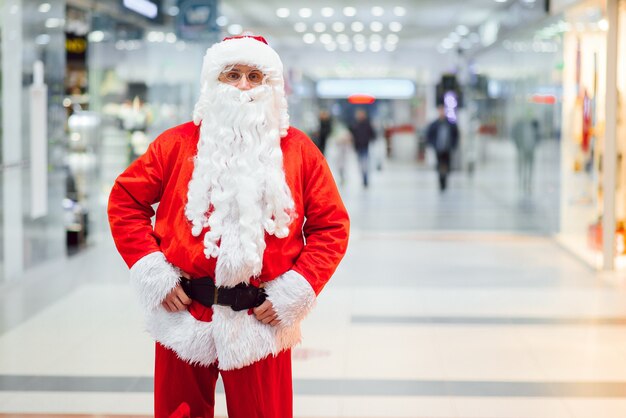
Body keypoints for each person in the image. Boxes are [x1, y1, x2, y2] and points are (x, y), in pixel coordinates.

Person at [107, 35, 350, 418]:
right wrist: (154, 273)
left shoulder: (299, 150)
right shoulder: (175, 144)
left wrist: (297, 289)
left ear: (271, 86)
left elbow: (331, 226)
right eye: (232, 74)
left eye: (255, 76)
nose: (243, 86)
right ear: (213, 82)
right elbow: (125, 200)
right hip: (184, 316)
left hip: (261, 321)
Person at [426, 105, 459, 191]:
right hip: (438, 148)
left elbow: (456, 135)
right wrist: (433, 144)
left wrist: (454, 145)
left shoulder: (451, 124)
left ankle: (445, 178)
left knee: (447, 165)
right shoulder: (434, 124)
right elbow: (429, 136)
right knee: (440, 165)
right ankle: (441, 181)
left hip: (447, 149)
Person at [511, 116, 540, 196]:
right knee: (523, 166)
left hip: (531, 150)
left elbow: (538, 138)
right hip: (523, 150)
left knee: (530, 167)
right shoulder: (521, 129)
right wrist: (518, 146)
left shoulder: (533, 129)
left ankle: (528, 181)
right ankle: (522, 181)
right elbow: (515, 137)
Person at [349, 109, 376, 188]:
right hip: (358, 147)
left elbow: (372, 134)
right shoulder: (355, 124)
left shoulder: (367, 124)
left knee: (365, 163)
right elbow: (352, 134)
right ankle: (363, 177)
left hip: (365, 147)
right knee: (360, 164)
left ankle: (365, 178)